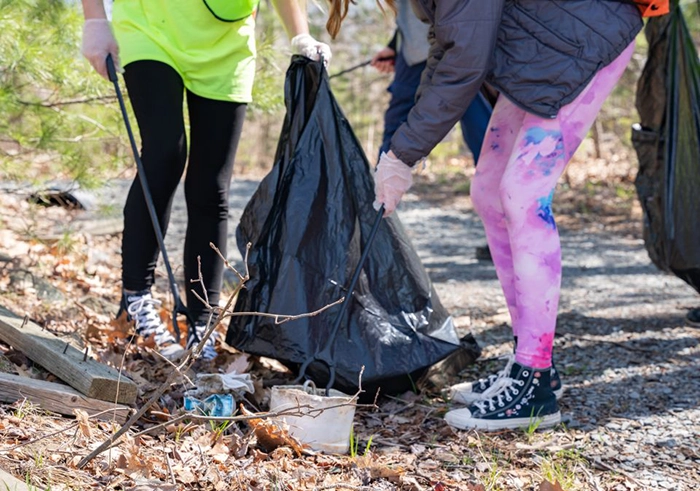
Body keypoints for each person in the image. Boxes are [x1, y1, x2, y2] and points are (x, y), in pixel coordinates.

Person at [325, 0, 642, 431]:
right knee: (489, 191)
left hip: (587, 36)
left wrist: (404, 152)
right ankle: (532, 363)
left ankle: (533, 385)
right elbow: (447, 46)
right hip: (544, 48)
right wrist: (405, 146)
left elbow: (465, 60)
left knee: (522, 194)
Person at [80, 0, 331, 361]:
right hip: (151, 25)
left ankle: (202, 320)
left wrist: (301, 34)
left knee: (210, 185)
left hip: (228, 42)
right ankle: (136, 303)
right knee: (164, 154)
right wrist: (95, 20)